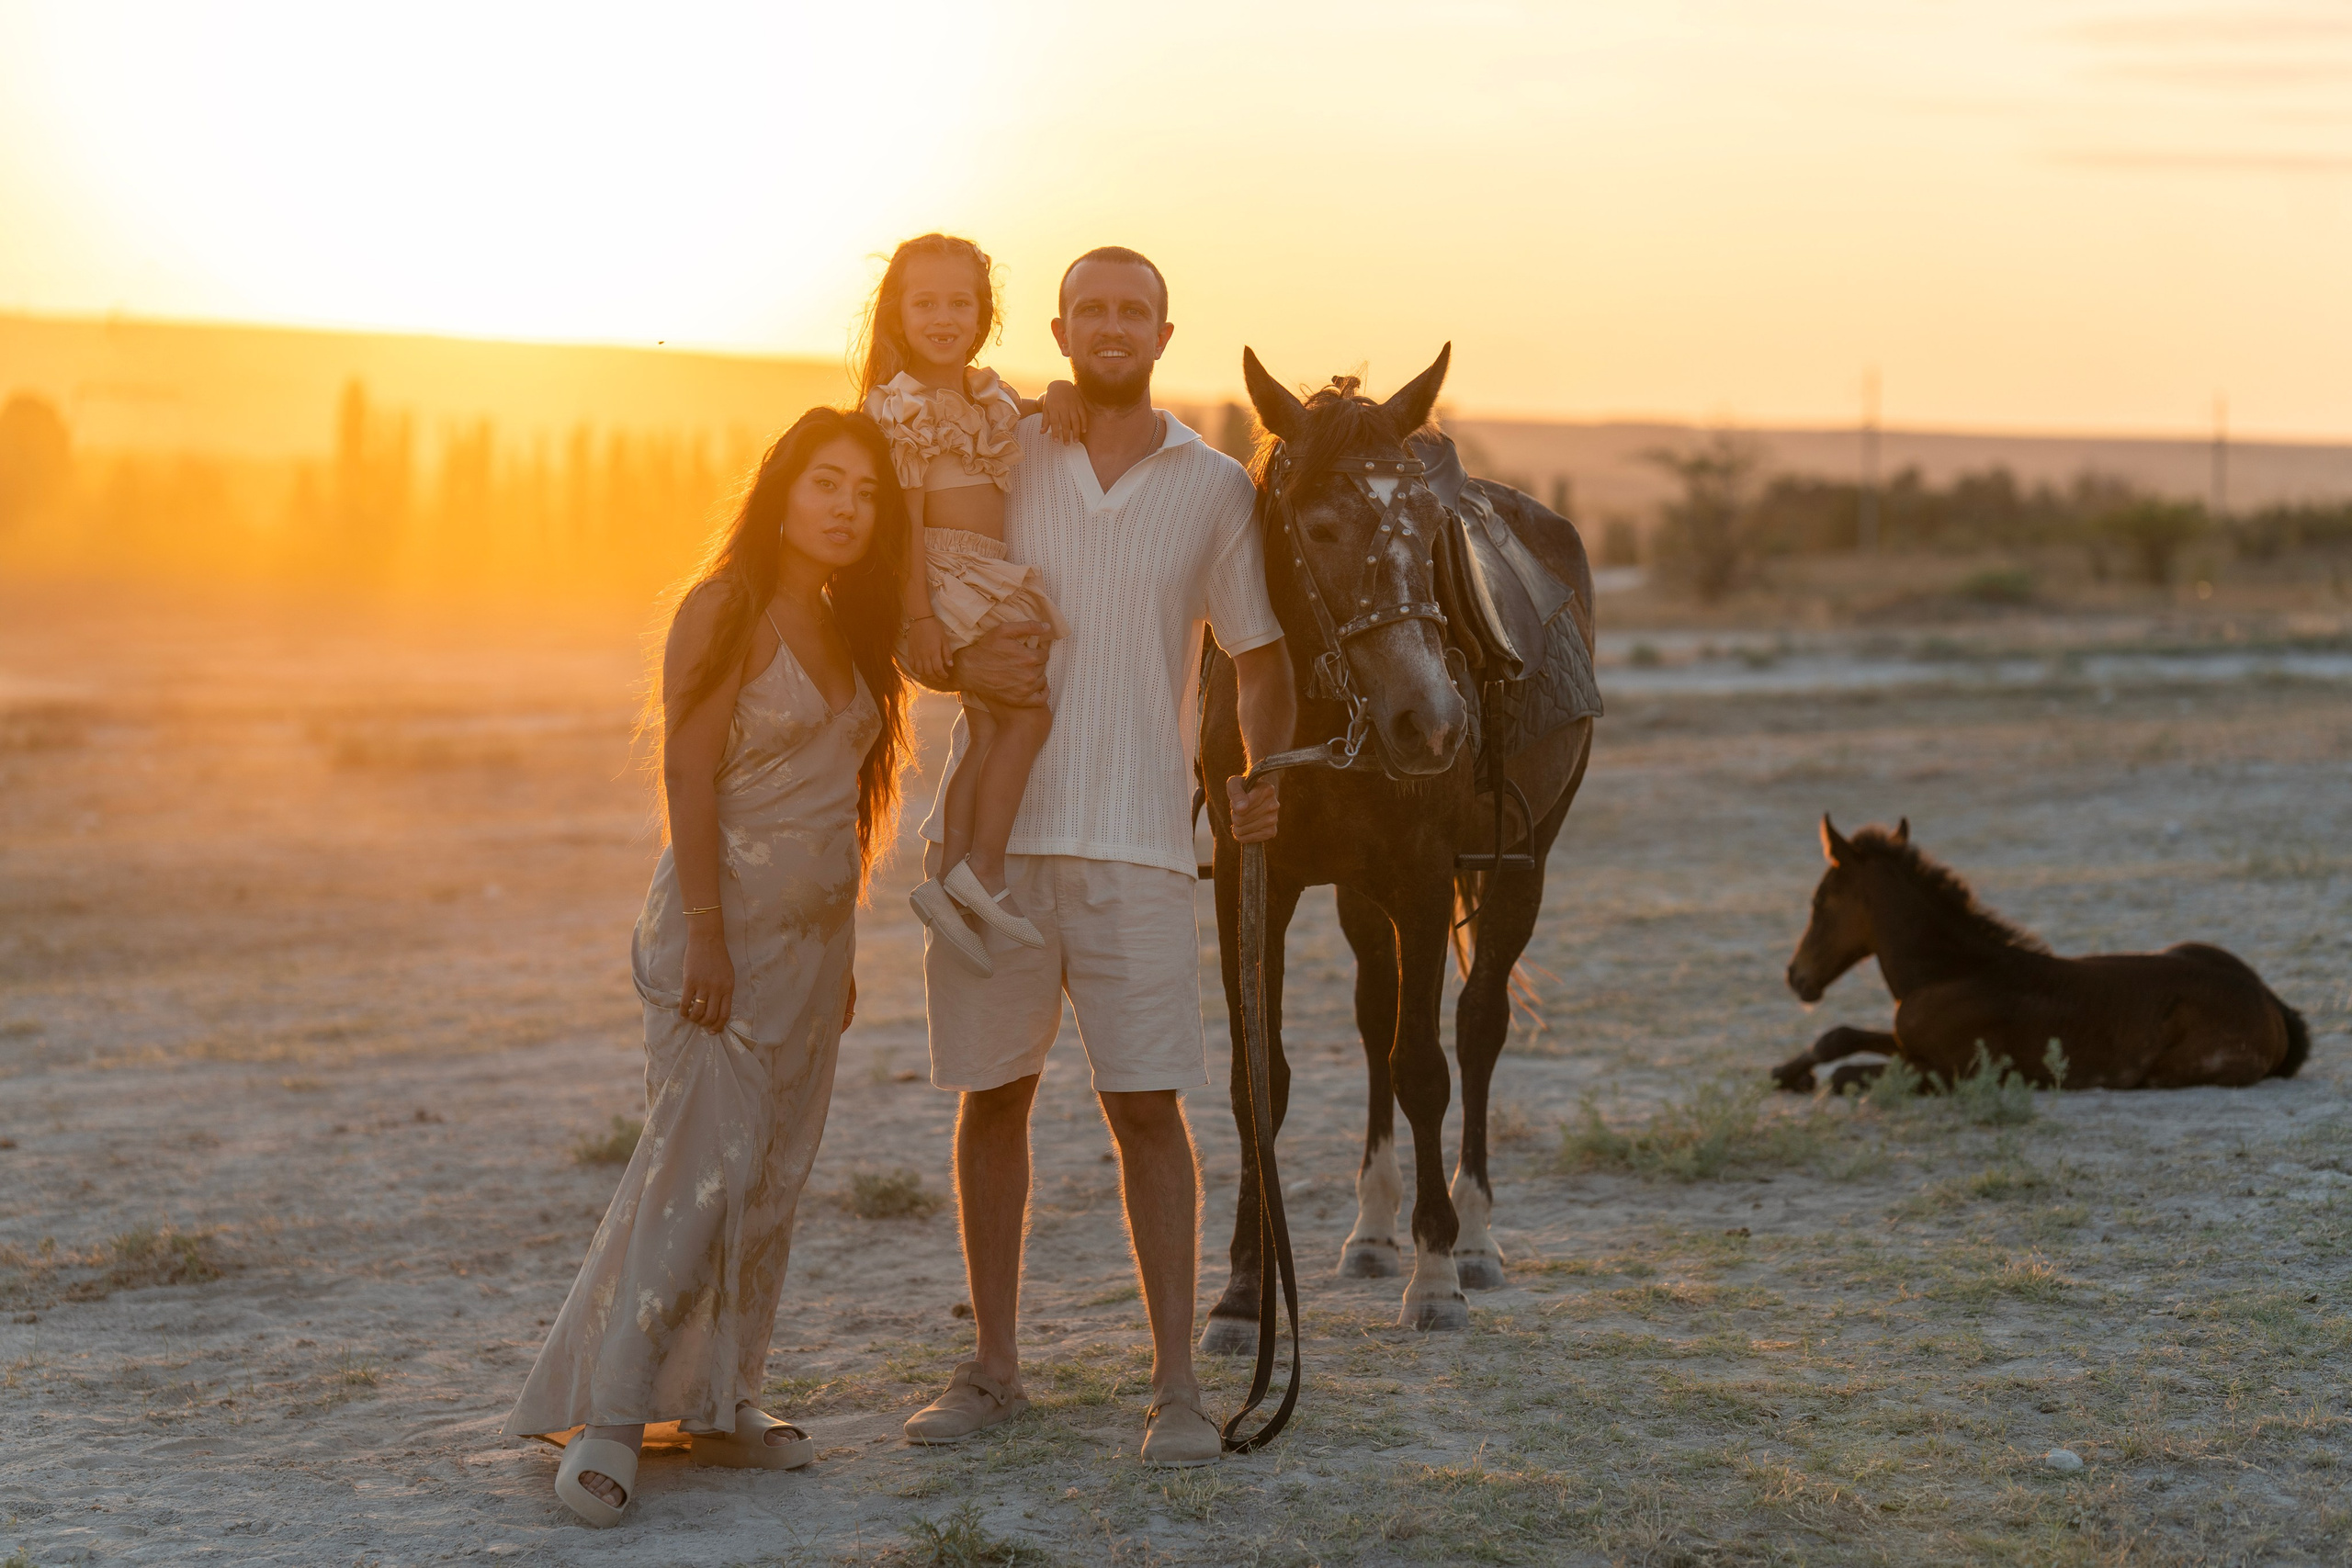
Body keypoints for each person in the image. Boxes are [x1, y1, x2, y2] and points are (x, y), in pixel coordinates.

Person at [900, 247, 1295, 1468]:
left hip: (1142, 845)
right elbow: (919, 599)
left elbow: (1263, 658)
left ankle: (1177, 1389)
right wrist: (953, 664)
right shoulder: (999, 445)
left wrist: (1260, 770)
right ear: (1060, 327)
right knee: (993, 1096)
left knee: (1148, 1109)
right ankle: (993, 1369)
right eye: (1092, 309)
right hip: (997, 846)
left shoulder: (1216, 485)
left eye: (1135, 310)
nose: (1112, 326)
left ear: (1164, 333)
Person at [503, 407, 914, 1528]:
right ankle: (611, 1422)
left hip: (810, 953)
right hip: (714, 941)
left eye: (866, 492)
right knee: (694, 1175)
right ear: (780, 491)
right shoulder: (723, 608)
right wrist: (710, 932)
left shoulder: (848, 624)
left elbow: (844, 808)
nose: (845, 507)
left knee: (772, 1177)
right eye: (826, 482)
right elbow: (688, 778)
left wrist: (843, 948)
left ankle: (727, 1403)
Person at [860, 232, 1085, 976]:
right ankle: (982, 872)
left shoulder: (982, 394)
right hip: (950, 573)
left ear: (984, 314)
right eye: (925, 303)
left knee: (990, 727)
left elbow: (1016, 409)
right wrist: (919, 617)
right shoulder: (901, 409)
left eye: (961, 302)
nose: (944, 316)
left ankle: (951, 879)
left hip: (984, 570)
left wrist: (1054, 393)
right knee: (1027, 713)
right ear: (897, 315)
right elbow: (906, 525)